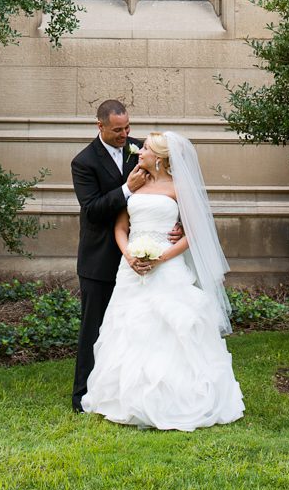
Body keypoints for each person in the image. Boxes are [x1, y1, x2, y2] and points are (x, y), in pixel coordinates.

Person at [80, 130, 245, 431]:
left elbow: (195, 234)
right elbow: (121, 227)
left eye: (145, 149)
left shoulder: (178, 188)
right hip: (131, 269)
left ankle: (178, 397)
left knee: (173, 328)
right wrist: (129, 256)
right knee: (128, 328)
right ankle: (125, 399)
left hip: (167, 268)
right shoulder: (135, 183)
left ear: (161, 157)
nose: (138, 151)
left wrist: (162, 257)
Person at [70, 100, 181, 413]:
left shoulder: (141, 149)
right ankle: (82, 396)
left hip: (146, 253)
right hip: (100, 257)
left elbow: (172, 191)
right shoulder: (84, 162)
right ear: (100, 126)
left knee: (138, 327)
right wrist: (126, 190)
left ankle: (134, 392)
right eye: (118, 130)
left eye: (127, 128)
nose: (125, 134)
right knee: (94, 328)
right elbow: (91, 210)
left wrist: (179, 226)